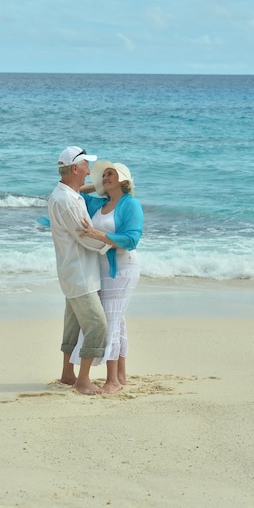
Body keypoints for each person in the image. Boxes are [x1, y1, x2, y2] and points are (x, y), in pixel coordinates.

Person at [71, 160, 144, 393]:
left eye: (111, 174)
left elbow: (132, 239)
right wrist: (96, 185)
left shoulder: (130, 204)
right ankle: (120, 375)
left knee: (110, 319)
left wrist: (97, 234)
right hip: (101, 269)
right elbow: (71, 191)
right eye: (103, 175)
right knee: (117, 320)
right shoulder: (100, 203)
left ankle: (111, 380)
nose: (105, 178)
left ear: (123, 179)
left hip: (122, 269)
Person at [47, 146, 110, 395]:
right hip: (80, 274)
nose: (89, 171)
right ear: (75, 168)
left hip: (74, 271)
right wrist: (113, 242)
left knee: (72, 326)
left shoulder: (64, 194)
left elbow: (78, 190)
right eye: (86, 166)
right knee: (97, 325)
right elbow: (86, 237)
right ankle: (83, 380)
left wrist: (102, 186)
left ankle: (67, 374)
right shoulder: (66, 201)